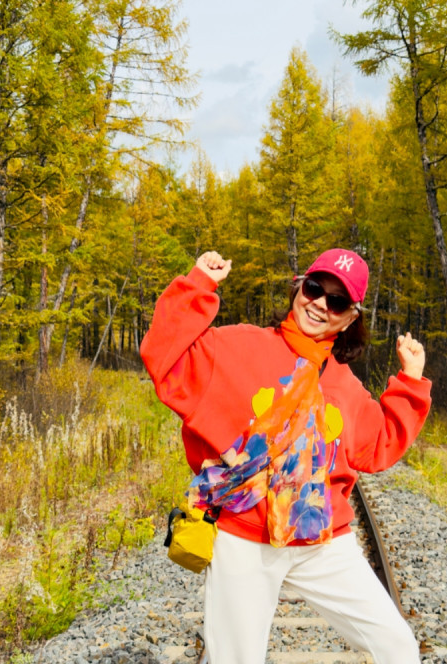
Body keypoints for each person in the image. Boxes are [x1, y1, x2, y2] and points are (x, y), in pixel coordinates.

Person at [140, 248, 432, 664]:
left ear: (351, 318)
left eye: (337, 301)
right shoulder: (238, 346)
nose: (320, 304)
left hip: (322, 542)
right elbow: (164, 356)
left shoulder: (344, 386)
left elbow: (379, 444)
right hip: (244, 537)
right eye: (314, 288)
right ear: (298, 288)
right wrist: (198, 285)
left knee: (398, 646)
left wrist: (411, 380)